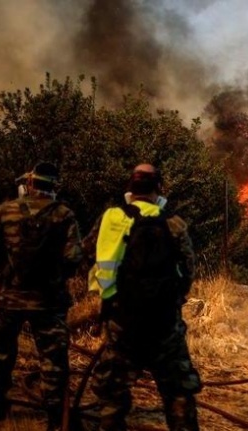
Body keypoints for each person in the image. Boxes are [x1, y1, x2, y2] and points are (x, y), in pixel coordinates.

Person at [86, 163, 202, 431]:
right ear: (158, 188)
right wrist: (171, 302)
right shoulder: (174, 224)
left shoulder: (112, 218)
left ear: (130, 188)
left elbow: (89, 255)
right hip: (165, 327)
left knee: (113, 393)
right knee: (178, 393)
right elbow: (188, 273)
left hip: (122, 323)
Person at [0, 162, 83, 431]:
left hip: (9, 299)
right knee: (53, 362)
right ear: (54, 187)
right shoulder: (64, 214)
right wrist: (56, 278)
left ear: (31, 183)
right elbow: (74, 258)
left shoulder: (7, 210)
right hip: (48, 303)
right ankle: (56, 420)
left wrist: (1, 275)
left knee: (2, 356)